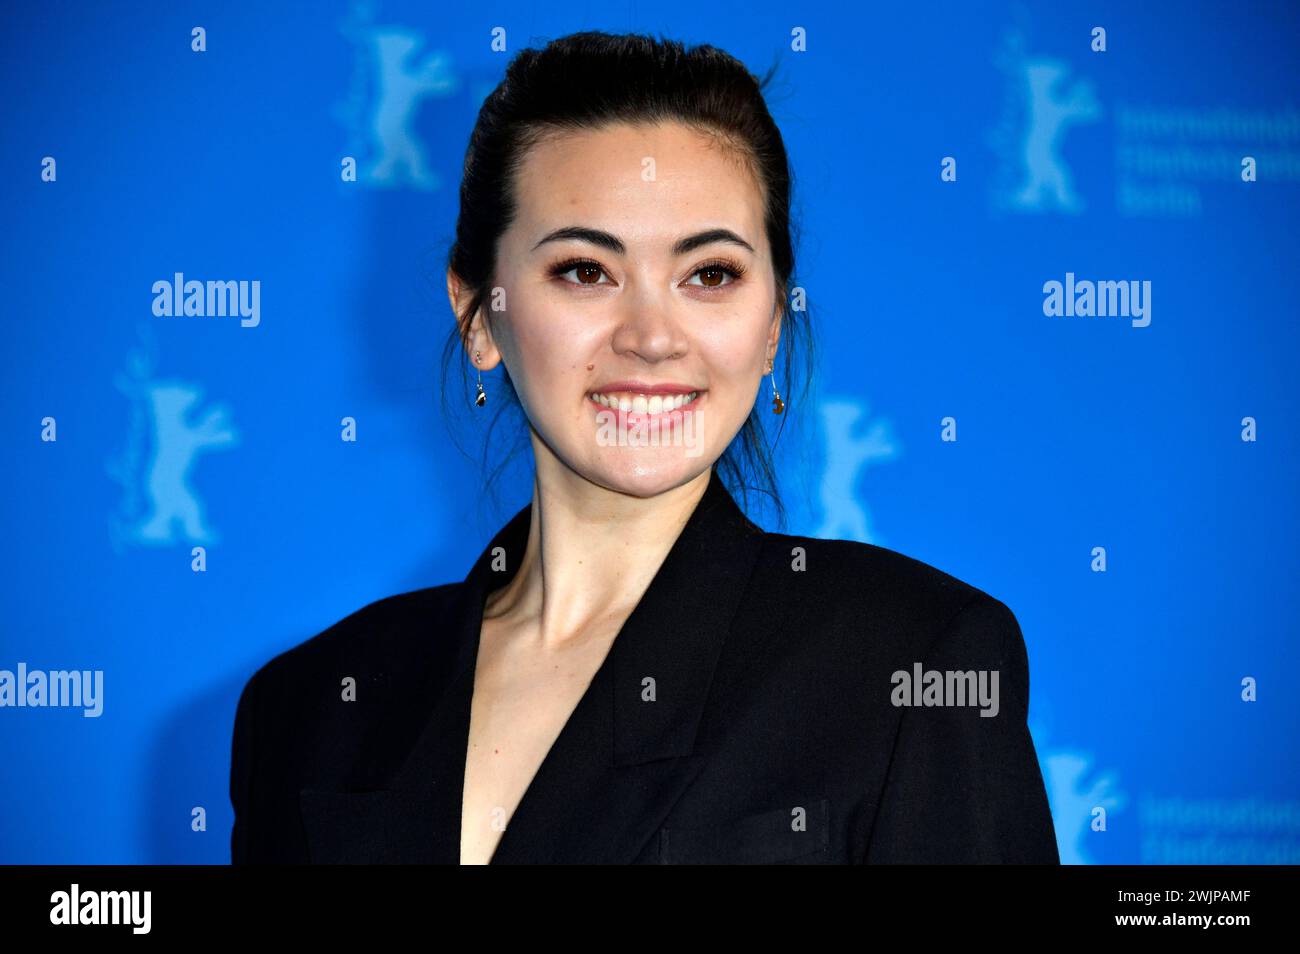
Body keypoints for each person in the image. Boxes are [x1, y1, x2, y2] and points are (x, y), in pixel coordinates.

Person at [229, 30, 1059, 865]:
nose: (653, 338)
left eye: (711, 275)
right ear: (479, 313)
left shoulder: (914, 663)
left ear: (773, 325)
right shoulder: (309, 705)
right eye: (586, 270)